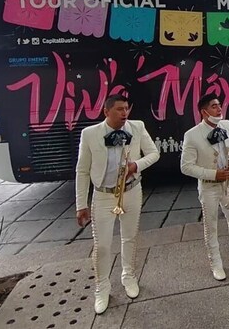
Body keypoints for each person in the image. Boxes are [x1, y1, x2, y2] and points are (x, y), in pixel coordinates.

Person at [75, 94, 159, 314]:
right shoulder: (90, 134)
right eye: (119, 109)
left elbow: (154, 153)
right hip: (103, 195)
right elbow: (82, 171)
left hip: (131, 191)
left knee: (129, 237)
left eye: (126, 109)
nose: (124, 113)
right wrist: (81, 204)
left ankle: (128, 275)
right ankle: (101, 286)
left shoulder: (137, 127)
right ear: (106, 112)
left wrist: (136, 165)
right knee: (101, 244)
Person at [181, 94, 229, 281]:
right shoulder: (192, 135)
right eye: (214, 106)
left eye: (219, 105)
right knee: (211, 225)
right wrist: (213, 174)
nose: (219, 108)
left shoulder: (227, 125)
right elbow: (186, 167)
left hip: (228, 184)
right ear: (204, 112)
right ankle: (215, 263)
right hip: (209, 187)